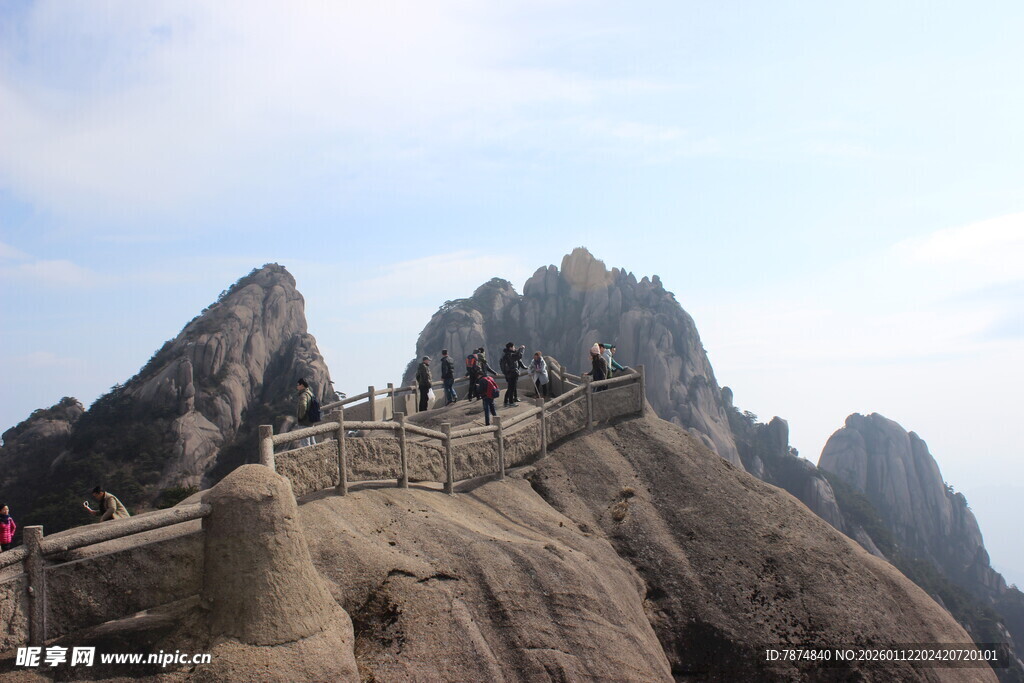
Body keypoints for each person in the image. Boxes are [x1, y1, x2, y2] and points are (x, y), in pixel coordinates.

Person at [500, 342, 525, 406]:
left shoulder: (506, 354)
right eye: (513, 347)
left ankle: (506, 401)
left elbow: (515, 353)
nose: (514, 348)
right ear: (510, 347)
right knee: (511, 388)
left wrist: (519, 349)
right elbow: (519, 356)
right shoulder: (510, 355)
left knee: (510, 388)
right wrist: (522, 350)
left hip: (508, 373)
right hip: (512, 373)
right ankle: (511, 402)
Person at [295, 378, 315, 447]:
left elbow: (303, 405)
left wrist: (301, 417)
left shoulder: (303, 395)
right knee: (312, 440)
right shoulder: (310, 393)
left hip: (304, 421)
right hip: (311, 420)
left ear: (302, 385)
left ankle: (310, 456)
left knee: (305, 442)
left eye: (298, 385)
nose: (297, 386)